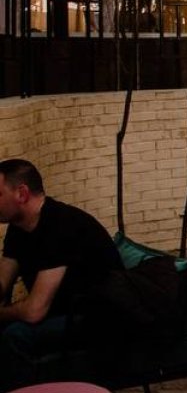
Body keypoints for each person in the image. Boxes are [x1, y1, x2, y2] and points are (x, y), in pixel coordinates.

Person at [0, 159, 124, 389]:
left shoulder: (61, 225)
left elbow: (34, 311)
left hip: (97, 317)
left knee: (15, 336)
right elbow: (2, 280)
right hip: (59, 313)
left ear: (22, 194)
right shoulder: (18, 227)